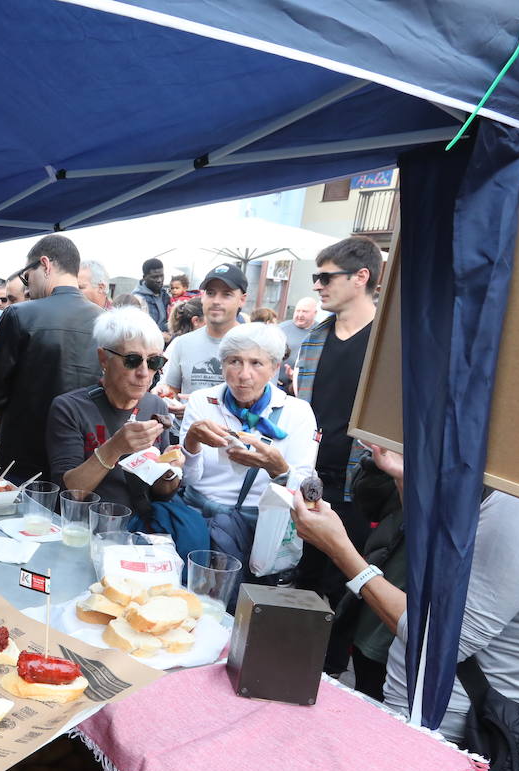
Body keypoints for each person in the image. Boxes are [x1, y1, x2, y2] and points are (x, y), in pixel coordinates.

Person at [291, 434, 519, 747]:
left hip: (438, 724)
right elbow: (450, 577)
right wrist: (405, 481)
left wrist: (338, 549)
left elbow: (435, 638)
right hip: (508, 720)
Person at [293, 236, 382, 625]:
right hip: (309, 480)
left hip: (361, 488)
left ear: (361, 276)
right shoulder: (314, 338)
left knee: (346, 596)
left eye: (326, 277)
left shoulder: (390, 342)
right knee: (302, 588)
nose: (317, 285)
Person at [178, 323, 317, 557]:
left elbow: (304, 492)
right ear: (222, 365)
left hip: (259, 530)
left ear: (274, 368)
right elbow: (188, 479)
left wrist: (279, 469)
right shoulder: (202, 401)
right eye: (234, 361)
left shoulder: (298, 412)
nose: (244, 375)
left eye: (256, 363)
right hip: (198, 523)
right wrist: (191, 443)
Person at [0, 233, 102, 481]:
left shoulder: (19, 315)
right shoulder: (104, 319)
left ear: (45, 264)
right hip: (85, 454)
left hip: (24, 454)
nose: (27, 286)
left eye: (27, 276)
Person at [46, 307, 182, 519]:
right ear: (104, 359)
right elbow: (69, 493)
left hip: (138, 532)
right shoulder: (70, 408)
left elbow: (161, 494)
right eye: (132, 360)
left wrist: (170, 472)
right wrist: (115, 447)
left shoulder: (157, 407)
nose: (144, 373)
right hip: (87, 527)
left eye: (154, 361)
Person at [162, 264, 248, 411]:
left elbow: (263, 403)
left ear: (242, 300)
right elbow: (172, 390)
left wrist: (202, 406)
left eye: (226, 294)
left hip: (234, 432)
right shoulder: (183, 343)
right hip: (185, 431)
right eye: (210, 293)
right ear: (202, 296)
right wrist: (165, 396)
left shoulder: (255, 345)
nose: (216, 301)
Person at [278, 296, 319, 373]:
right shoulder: (281, 329)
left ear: (315, 313)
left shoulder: (321, 331)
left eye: (305, 311)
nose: (300, 315)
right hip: (278, 382)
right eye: (297, 311)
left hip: (305, 382)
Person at [132, 258, 170, 329]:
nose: (159, 280)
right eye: (154, 277)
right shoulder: (137, 299)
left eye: (161, 276)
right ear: (144, 277)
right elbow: (138, 328)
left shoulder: (166, 295)